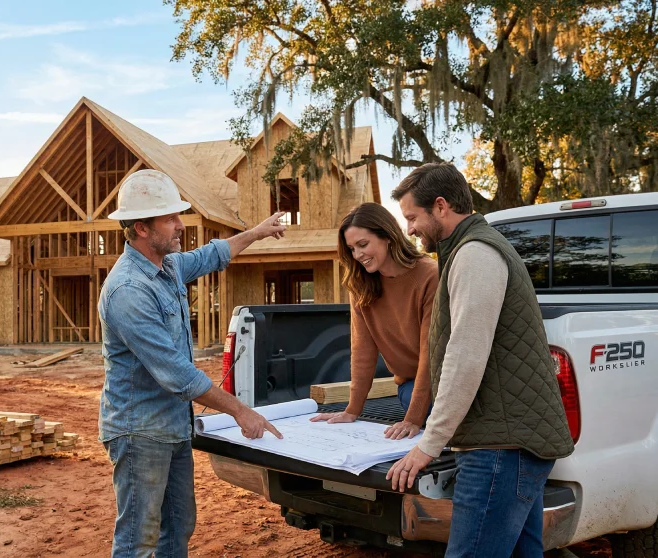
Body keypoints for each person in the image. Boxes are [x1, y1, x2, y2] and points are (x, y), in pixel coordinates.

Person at [385, 163, 574, 557]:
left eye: (412, 218)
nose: (410, 230)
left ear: (440, 206)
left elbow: (466, 355)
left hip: (501, 449)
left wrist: (428, 445)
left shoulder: (475, 254)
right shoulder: (466, 251)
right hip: (510, 443)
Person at [99, 169, 289, 558]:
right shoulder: (129, 290)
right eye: (169, 219)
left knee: (178, 527)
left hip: (171, 427)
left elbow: (212, 255)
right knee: (138, 538)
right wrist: (240, 411)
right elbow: (178, 375)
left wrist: (257, 232)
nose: (180, 225)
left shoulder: (166, 266)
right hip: (139, 432)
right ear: (141, 229)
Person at [309, 202, 438, 440]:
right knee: (412, 397)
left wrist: (412, 420)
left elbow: (432, 355)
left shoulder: (430, 275)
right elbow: (362, 352)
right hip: (410, 386)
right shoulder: (361, 285)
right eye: (351, 249)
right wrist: (352, 410)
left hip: (445, 380)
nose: (358, 255)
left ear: (388, 236)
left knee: (441, 408)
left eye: (363, 244)